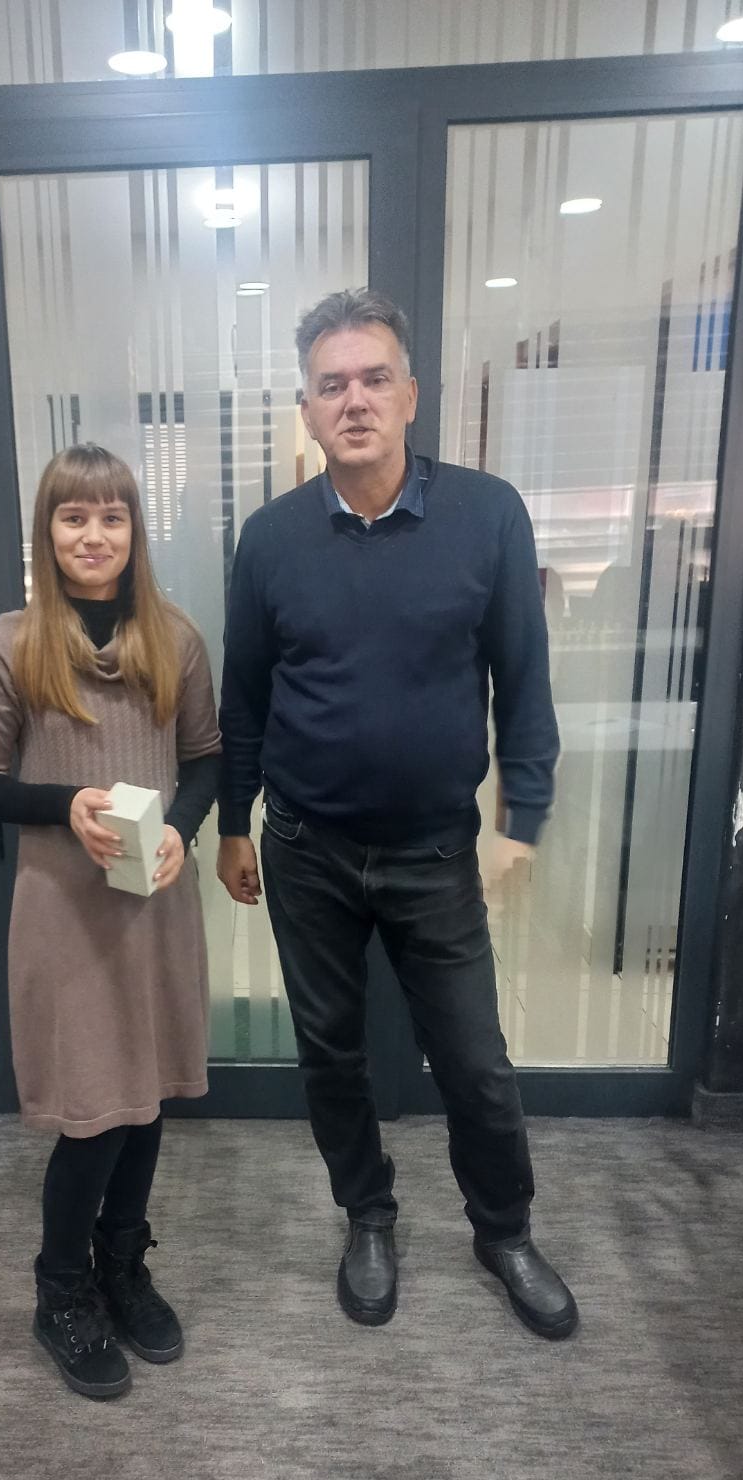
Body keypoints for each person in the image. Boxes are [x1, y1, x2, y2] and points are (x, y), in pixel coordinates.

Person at [216, 289, 578, 1340]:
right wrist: (233, 821)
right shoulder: (270, 540)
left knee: (473, 1061)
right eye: (332, 384)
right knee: (330, 1054)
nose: (355, 400)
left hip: (432, 851)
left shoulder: (487, 516)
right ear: (308, 409)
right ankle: (367, 1216)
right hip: (306, 848)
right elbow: (245, 698)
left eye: (375, 378)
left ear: (411, 395)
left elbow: (524, 680)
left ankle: (503, 1230)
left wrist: (522, 817)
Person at [0, 444, 222, 1399]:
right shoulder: (12, 645)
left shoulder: (175, 639)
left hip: (155, 902)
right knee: (93, 1115)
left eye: (113, 517)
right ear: (49, 531)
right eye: (75, 518)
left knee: (146, 1100)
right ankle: (60, 1289)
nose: (94, 535)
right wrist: (65, 804)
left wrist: (183, 831)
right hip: (65, 911)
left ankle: (123, 1267)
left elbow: (206, 759)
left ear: (135, 530)